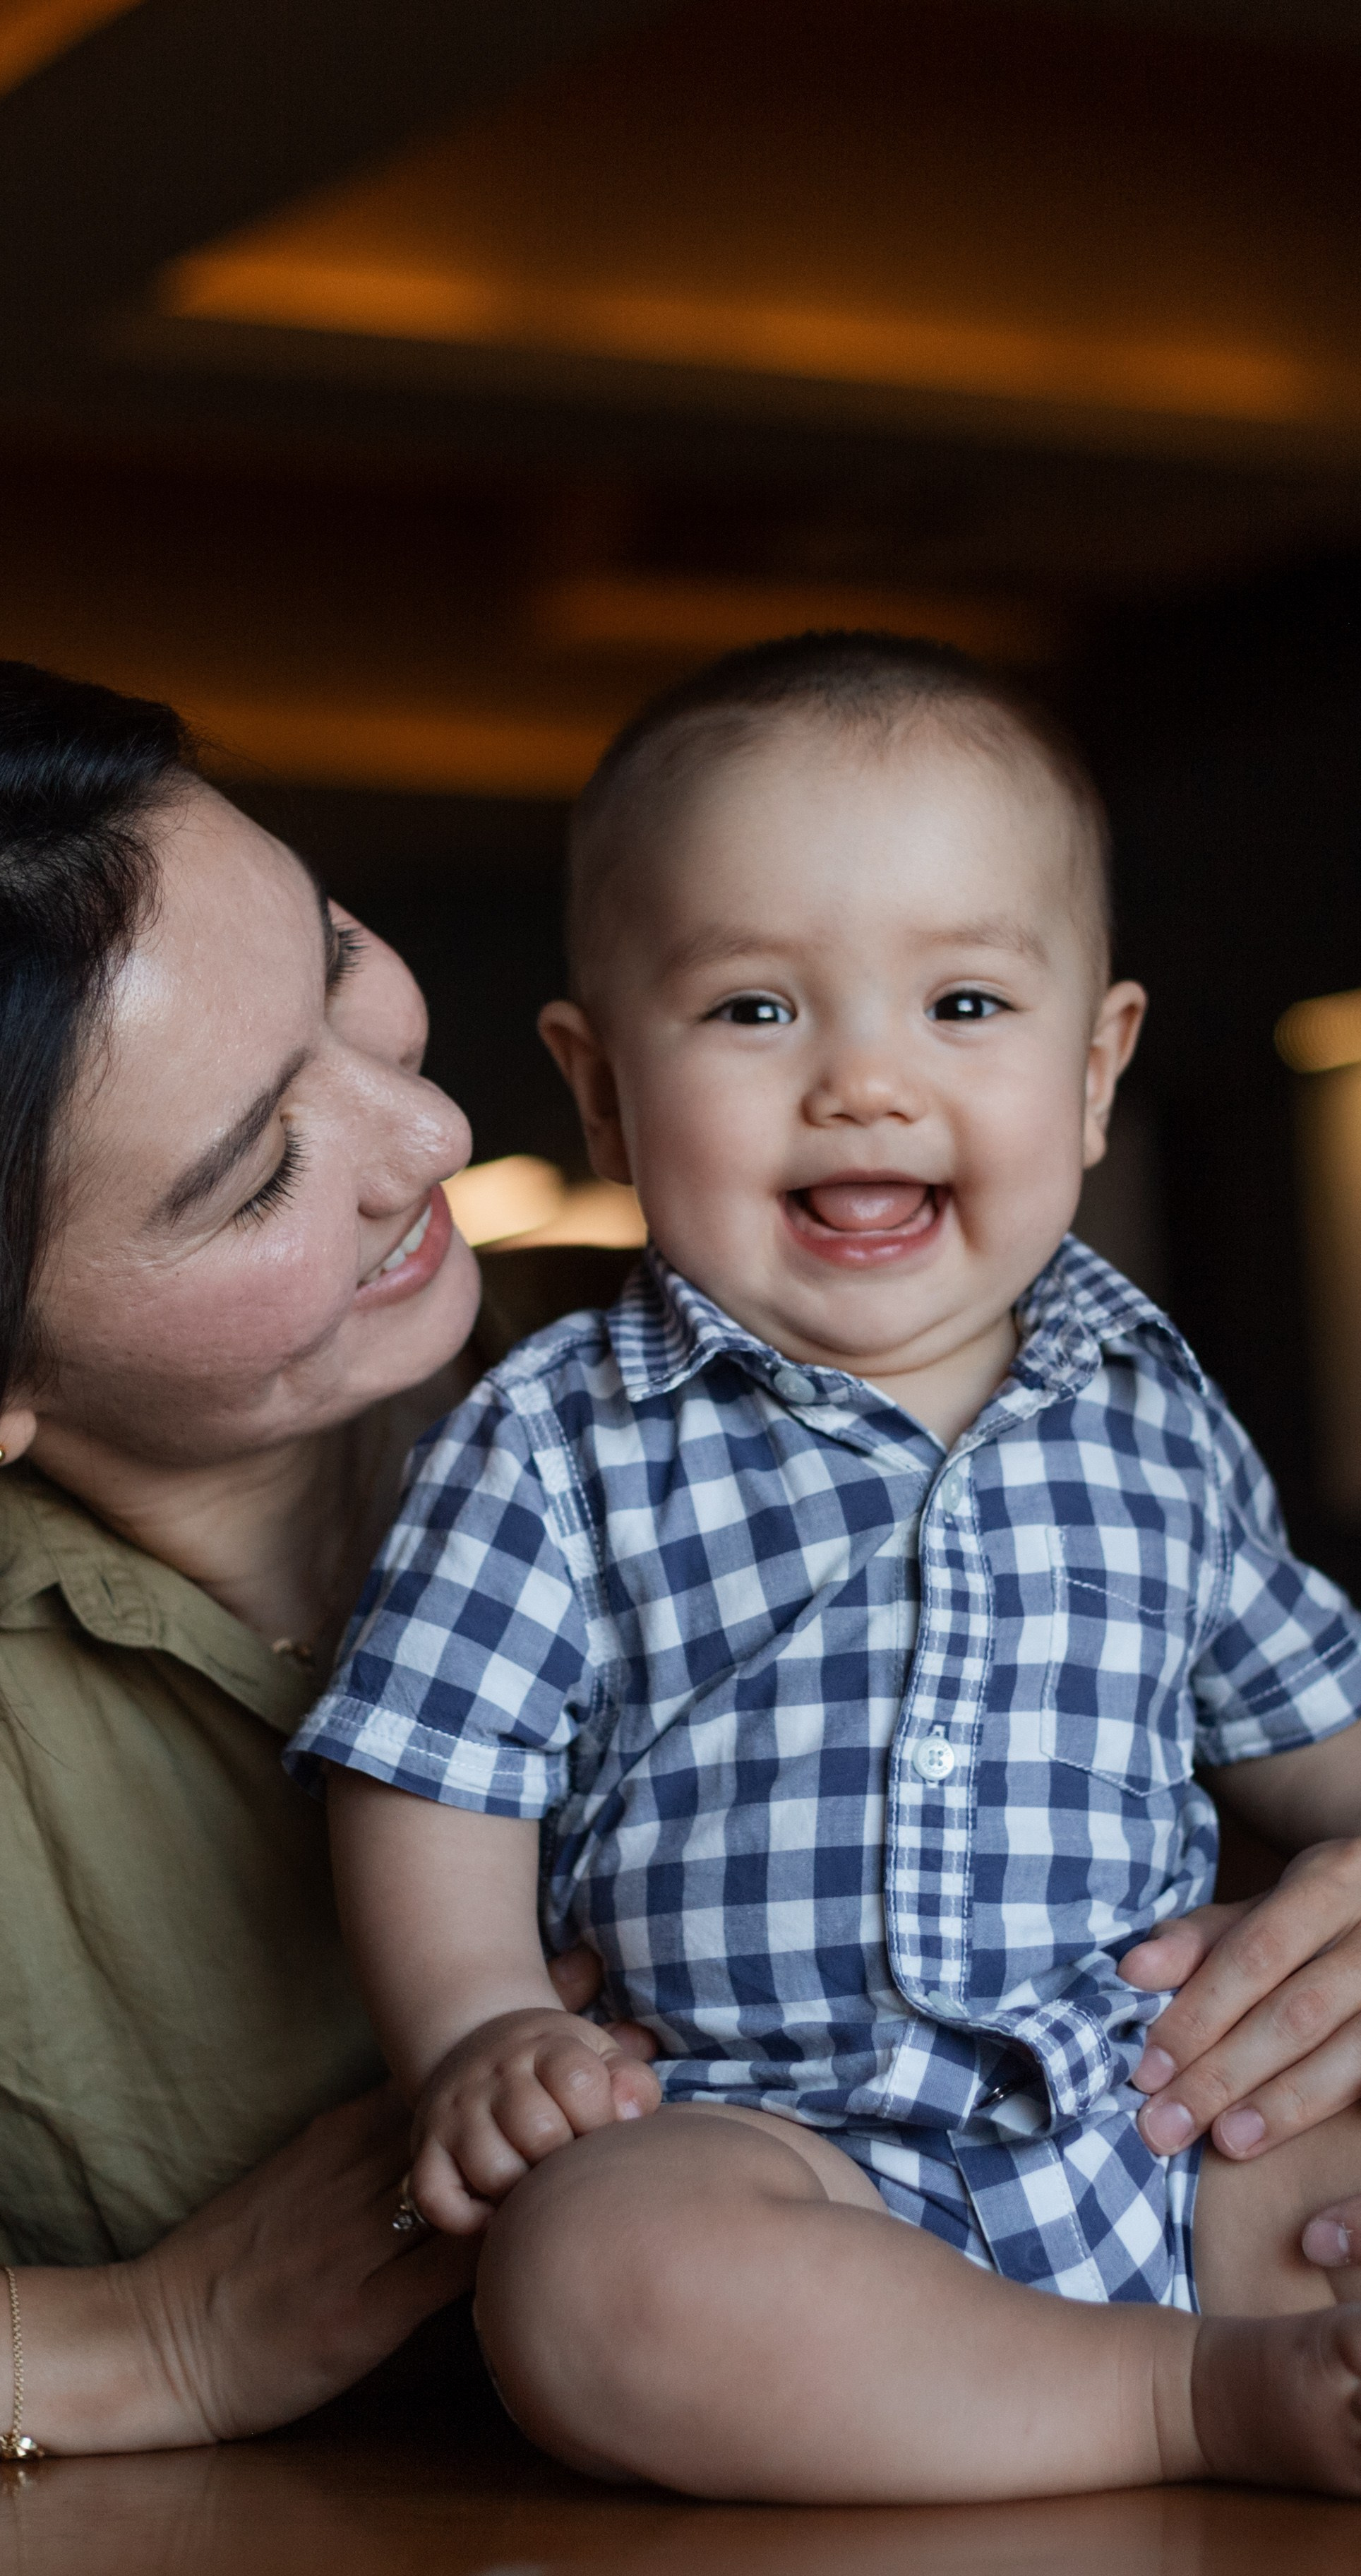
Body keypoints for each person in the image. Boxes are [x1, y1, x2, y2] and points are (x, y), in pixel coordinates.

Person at [290, 632, 1361, 2501]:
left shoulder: (1156, 1418)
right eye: (758, 1013)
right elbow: (433, 1764)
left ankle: (1259, 2346)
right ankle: (1186, 2404)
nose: (864, 1083)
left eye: (961, 1004)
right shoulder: (557, 1439)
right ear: (603, 1090)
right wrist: (479, 2026)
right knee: (589, 2274)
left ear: (1096, 1067)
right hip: (777, 2150)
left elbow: (1313, 1730)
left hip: (1169, 2120)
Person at [0, 660, 635, 2499]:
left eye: (337, 959)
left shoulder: (702, 1390)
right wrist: (135, 2340)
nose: (428, 1140)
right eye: (260, 1171)